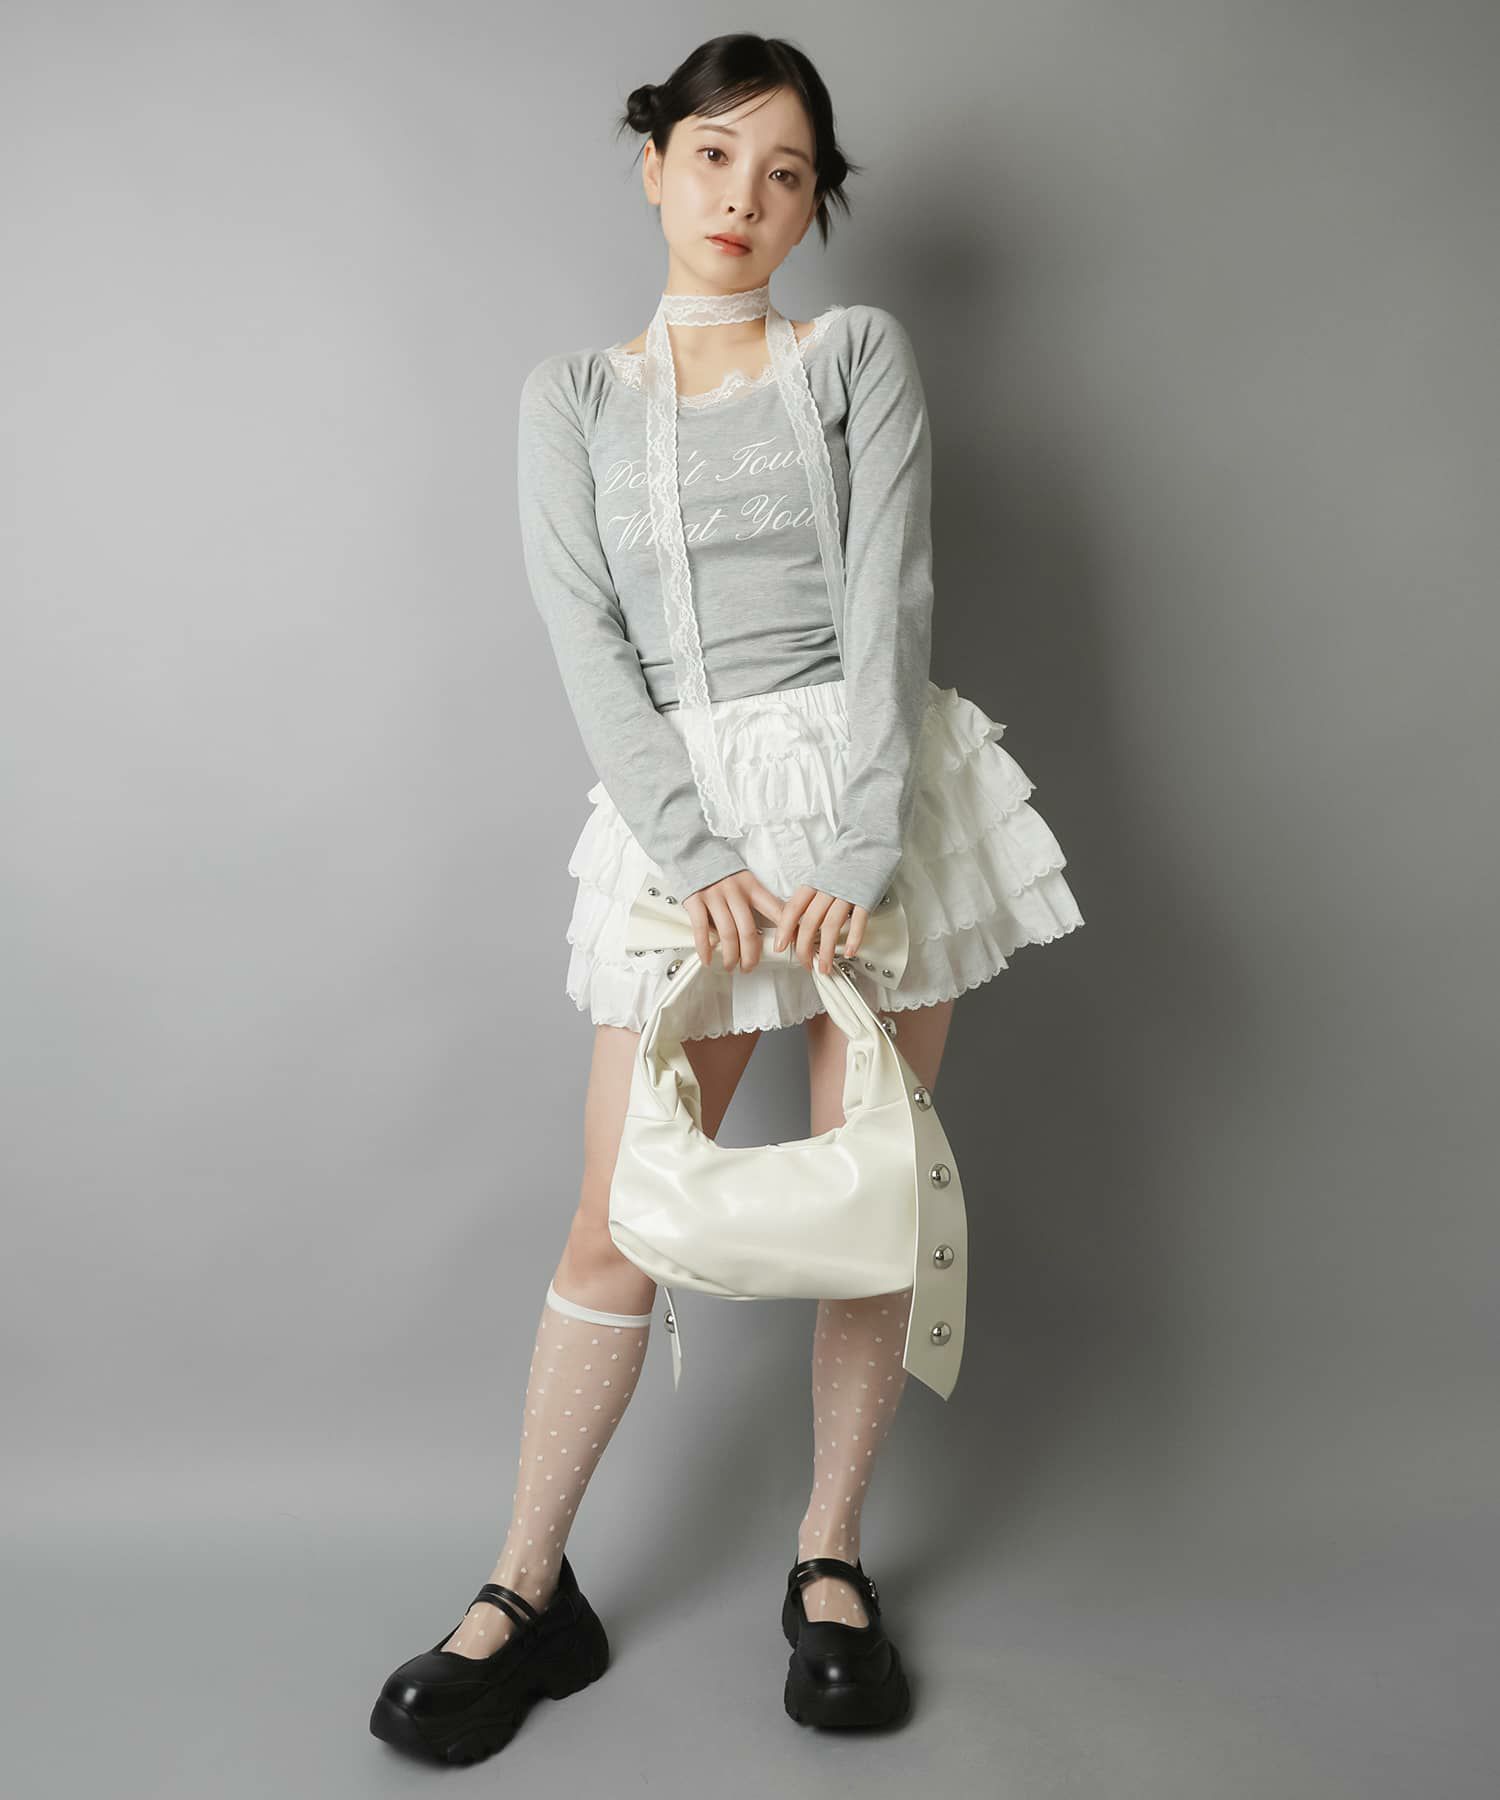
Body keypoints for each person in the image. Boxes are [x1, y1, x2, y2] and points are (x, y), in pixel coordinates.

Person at [370, 31, 1083, 1763]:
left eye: (786, 173)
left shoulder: (855, 356)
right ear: (654, 167)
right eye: (712, 155)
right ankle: (528, 1588)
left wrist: (855, 849)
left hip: (874, 803)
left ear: (813, 202)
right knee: (614, 1216)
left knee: (870, 1189)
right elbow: (586, 640)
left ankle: (828, 1558)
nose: (744, 197)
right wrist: (698, 854)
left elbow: (890, 602)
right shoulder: (572, 398)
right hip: (679, 825)